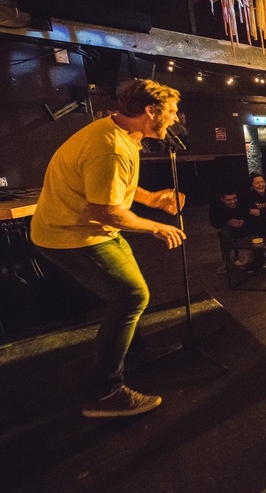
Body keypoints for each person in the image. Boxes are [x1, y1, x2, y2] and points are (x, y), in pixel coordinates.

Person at [31, 79, 186, 418]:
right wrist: (157, 226)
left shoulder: (122, 134)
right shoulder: (111, 147)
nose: (174, 119)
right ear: (151, 111)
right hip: (70, 236)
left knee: (131, 292)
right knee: (131, 296)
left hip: (88, 229)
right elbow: (107, 211)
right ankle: (105, 392)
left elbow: (111, 187)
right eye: (171, 112)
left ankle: (132, 350)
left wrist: (150, 199)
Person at [209, 188, 250, 272]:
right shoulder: (215, 206)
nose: (232, 202)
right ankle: (226, 260)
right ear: (222, 200)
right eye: (228, 200)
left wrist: (243, 221)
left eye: (234, 198)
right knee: (224, 234)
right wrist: (228, 222)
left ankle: (251, 256)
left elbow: (249, 215)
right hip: (228, 228)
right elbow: (214, 223)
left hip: (244, 226)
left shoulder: (242, 202)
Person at [244, 173, 266, 238]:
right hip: (258, 224)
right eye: (257, 183)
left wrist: (261, 212)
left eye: (262, 182)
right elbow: (251, 213)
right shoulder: (249, 197)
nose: (261, 185)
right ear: (252, 185)